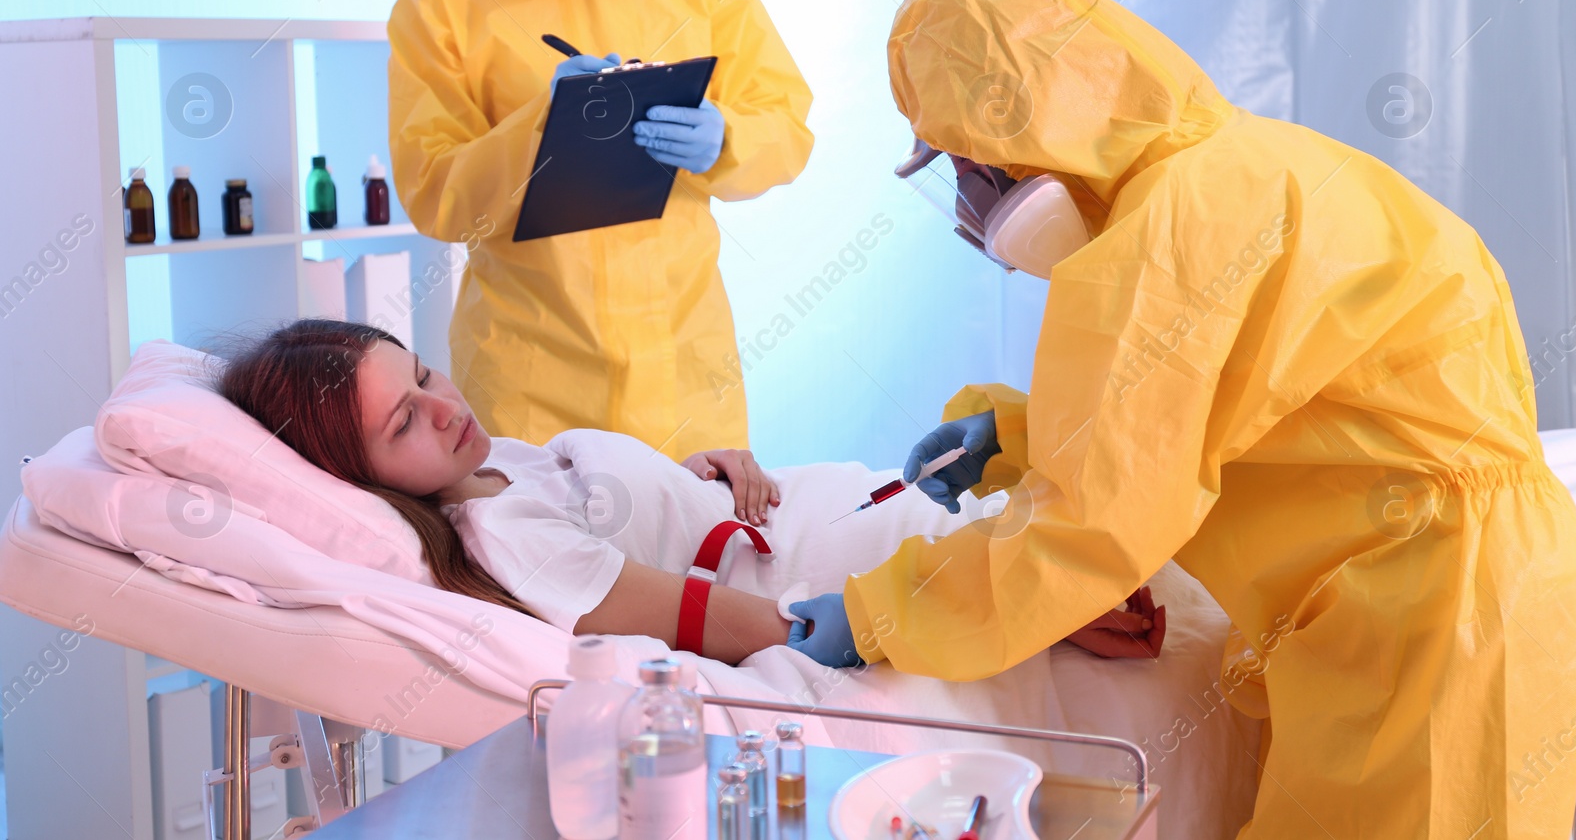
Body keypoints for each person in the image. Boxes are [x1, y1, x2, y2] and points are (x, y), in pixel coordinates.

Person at [786, 0, 1576, 838]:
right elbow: (1242, 411)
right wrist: (1015, 433)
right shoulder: (1237, 168)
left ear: (1014, 138)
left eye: (963, 165)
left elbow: (1095, 523)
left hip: (1443, 627)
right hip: (1429, 600)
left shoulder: (1170, 227)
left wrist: (879, 614)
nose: (966, 202)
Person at [216, 318, 1165, 667]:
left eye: (422, 373)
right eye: (401, 424)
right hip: (832, 566)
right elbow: (702, 616)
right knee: (1089, 565)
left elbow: (634, 508)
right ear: (361, 476)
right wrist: (944, 616)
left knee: (1100, 525)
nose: (441, 407)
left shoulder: (493, 455)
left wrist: (704, 472)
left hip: (817, 507)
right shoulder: (505, 540)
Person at [387, 0, 814, 461]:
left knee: (701, 558)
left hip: (684, 365)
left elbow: (788, 125)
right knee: (546, 561)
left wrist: (728, 138)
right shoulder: (439, 8)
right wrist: (540, 128)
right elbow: (436, 196)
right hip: (532, 384)